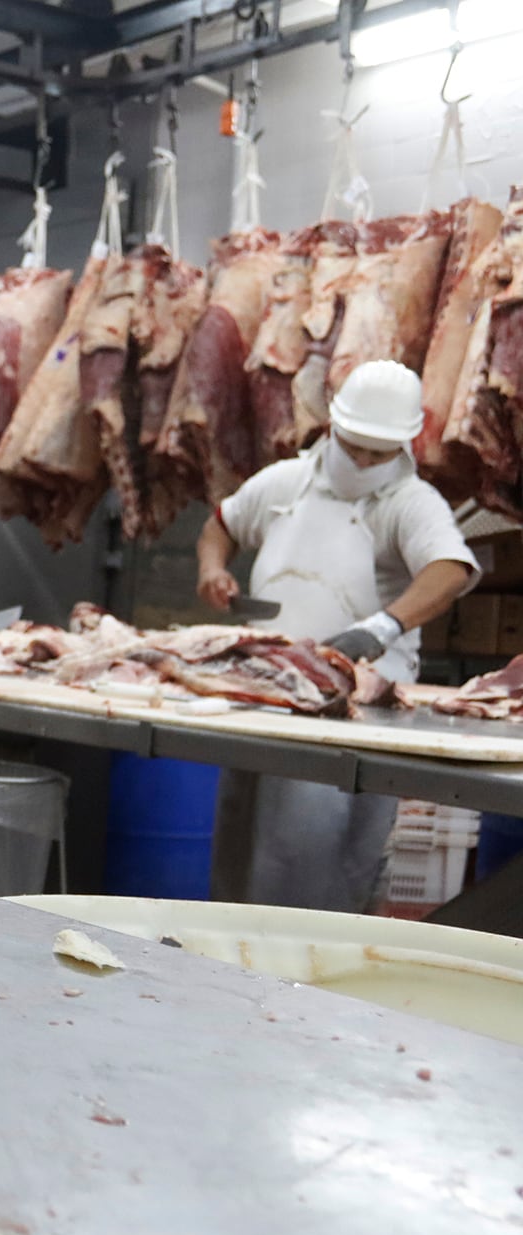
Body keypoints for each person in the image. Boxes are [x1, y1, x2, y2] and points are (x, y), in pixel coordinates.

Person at [195, 360, 477, 911]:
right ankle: (224, 968)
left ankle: (306, 984)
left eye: (381, 451)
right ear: (331, 428)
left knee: (314, 859)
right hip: (265, 695)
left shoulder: (410, 502)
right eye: (356, 447)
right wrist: (212, 569)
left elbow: (450, 570)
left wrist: (383, 625)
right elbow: (220, 526)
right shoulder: (286, 481)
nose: (367, 461)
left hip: (351, 708)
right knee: (240, 847)